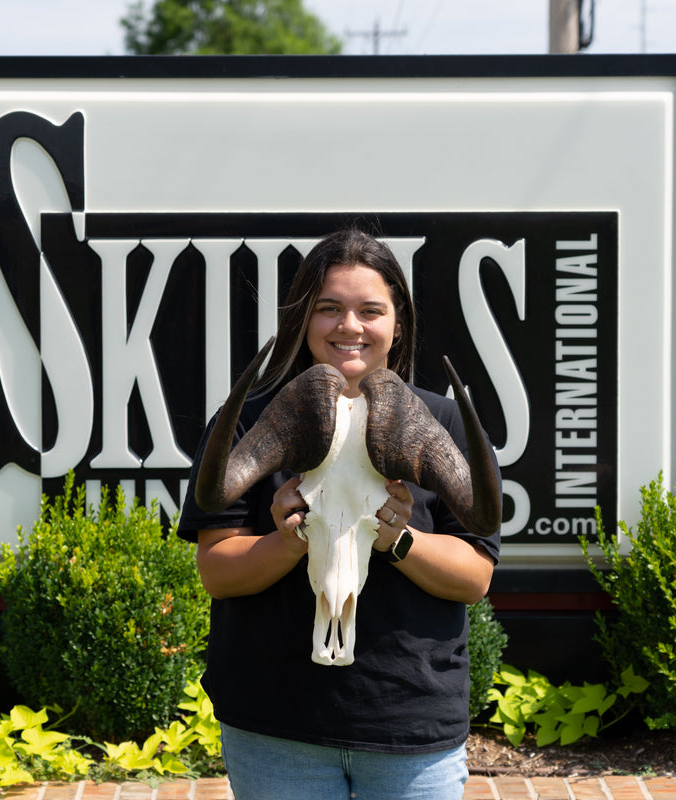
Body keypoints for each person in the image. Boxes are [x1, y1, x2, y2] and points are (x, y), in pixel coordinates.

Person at [177, 229, 501, 800]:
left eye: (370, 310)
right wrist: (290, 539)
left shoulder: (443, 422)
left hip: (410, 724)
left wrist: (397, 538)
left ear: (397, 322)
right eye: (329, 308)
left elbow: (474, 576)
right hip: (274, 724)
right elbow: (218, 571)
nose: (349, 326)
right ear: (303, 318)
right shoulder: (248, 421)